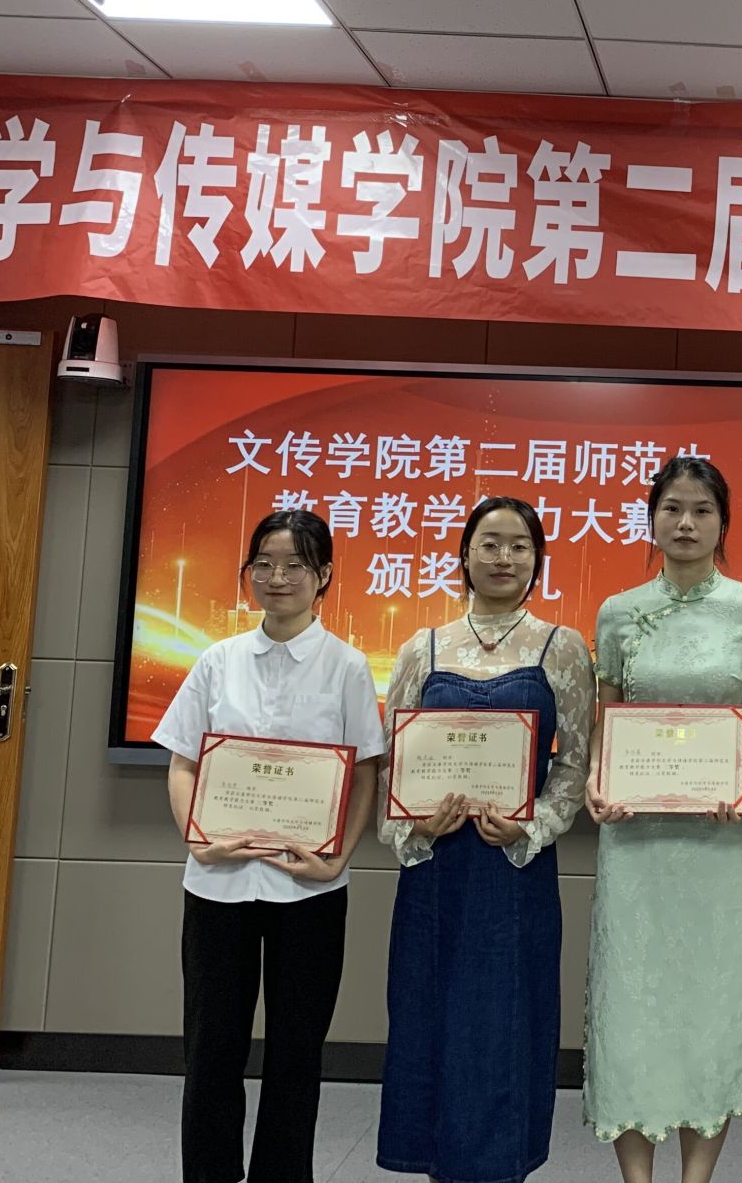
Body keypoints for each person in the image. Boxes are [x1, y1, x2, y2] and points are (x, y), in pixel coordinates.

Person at [153, 508, 388, 1183]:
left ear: (325, 576)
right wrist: (198, 838)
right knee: (211, 1049)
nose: (277, 577)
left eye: (295, 565)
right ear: (248, 572)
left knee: (296, 1052)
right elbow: (183, 763)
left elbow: (364, 772)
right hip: (218, 884)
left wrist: (338, 857)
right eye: (264, 564)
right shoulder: (217, 661)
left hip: (308, 887)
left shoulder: (347, 667)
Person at [376, 496, 595, 1183]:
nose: (504, 558)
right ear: (464, 555)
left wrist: (531, 827)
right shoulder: (422, 648)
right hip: (436, 870)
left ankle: (502, 1169)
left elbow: (575, 765)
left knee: (505, 1025)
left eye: (520, 546)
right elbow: (391, 764)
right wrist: (413, 825)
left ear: (538, 560)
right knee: (429, 1019)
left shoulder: (563, 648)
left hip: (514, 871)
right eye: (490, 544)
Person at [582, 457, 742, 1183]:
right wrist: (597, 782)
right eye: (672, 508)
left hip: (717, 842)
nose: (687, 523)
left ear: (723, 522)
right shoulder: (618, 612)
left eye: (702, 510)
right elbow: (606, 719)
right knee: (629, 1014)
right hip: (634, 841)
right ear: (652, 519)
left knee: (710, 1014)